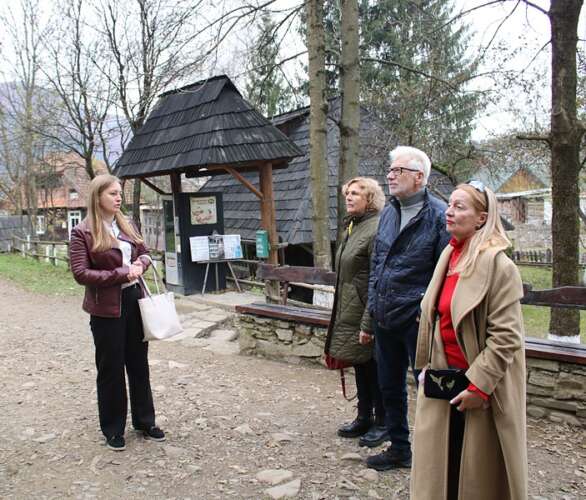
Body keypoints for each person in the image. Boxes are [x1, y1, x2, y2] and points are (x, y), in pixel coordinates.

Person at [411, 182, 527, 500]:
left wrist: (478, 386)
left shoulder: (500, 267)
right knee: (440, 471)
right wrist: (425, 368)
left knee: (476, 476)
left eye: (460, 206)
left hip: (480, 388)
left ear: (481, 218)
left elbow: (506, 338)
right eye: (450, 204)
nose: (449, 211)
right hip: (443, 380)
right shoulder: (449, 255)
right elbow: (434, 316)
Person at [366, 146, 450, 471]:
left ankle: (436, 458)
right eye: (390, 170)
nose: (389, 175)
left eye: (397, 170)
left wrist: (427, 314)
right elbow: (378, 262)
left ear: (419, 177)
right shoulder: (389, 211)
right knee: (389, 387)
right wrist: (374, 306)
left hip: (418, 322)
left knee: (428, 390)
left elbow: (444, 274)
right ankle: (400, 449)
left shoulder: (439, 216)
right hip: (385, 318)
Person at [69, 174, 165, 451]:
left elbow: (145, 253)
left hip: (135, 301)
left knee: (139, 364)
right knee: (110, 369)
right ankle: (113, 429)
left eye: (119, 192)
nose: (118, 197)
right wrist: (123, 272)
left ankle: (145, 422)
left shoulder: (127, 223)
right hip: (105, 309)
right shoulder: (83, 231)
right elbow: (81, 273)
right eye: (112, 193)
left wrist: (141, 263)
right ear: (98, 197)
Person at [324, 177, 388, 448]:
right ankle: (364, 416)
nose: (349, 197)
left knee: (375, 367)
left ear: (370, 198)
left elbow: (377, 278)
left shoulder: (375, 229)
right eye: (347, 193)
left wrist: (368, 321)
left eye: (356, 194)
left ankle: (383, 422)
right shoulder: (354, 226)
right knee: (360, 364)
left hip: (367, 310)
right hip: (350, 307)